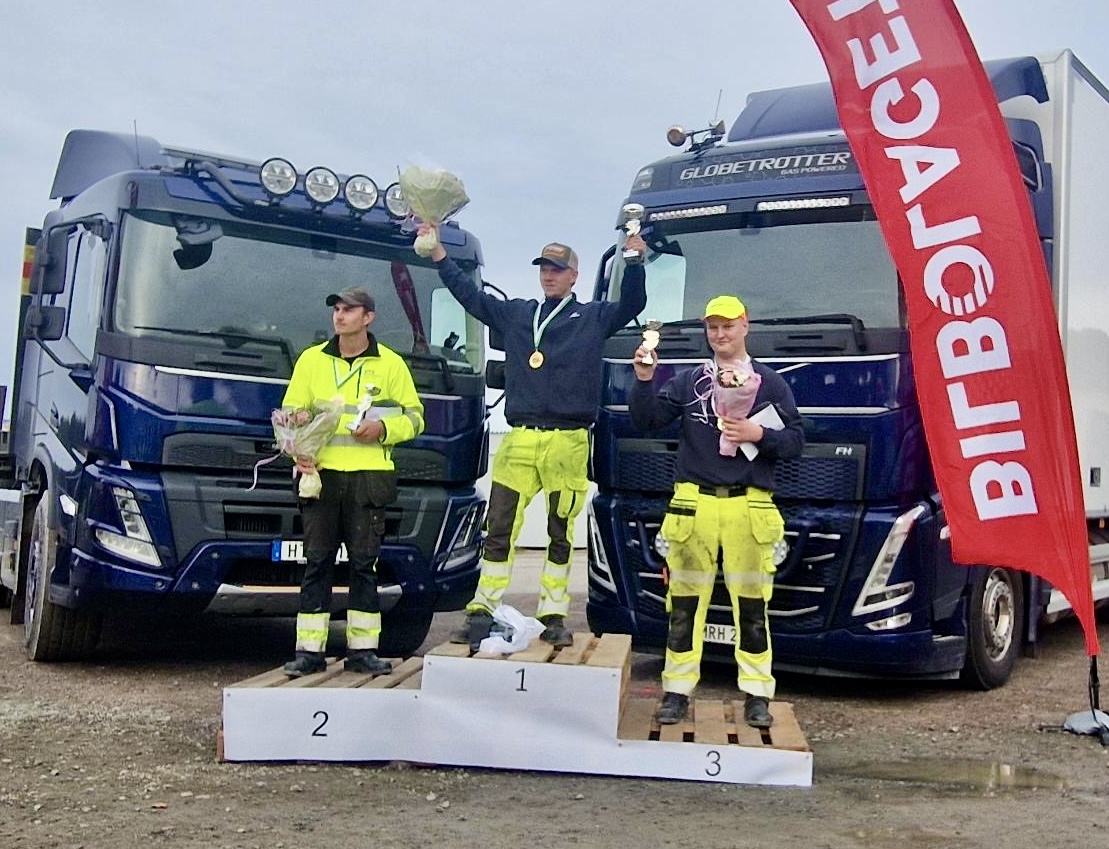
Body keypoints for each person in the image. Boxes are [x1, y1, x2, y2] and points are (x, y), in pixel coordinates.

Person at [418, 222, 647, 649]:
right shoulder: (520, 313)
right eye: (544, 267)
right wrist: (439, 257)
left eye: (558, 269)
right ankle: (481, 609)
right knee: (499, 528)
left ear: (574, 276)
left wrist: (634, 261)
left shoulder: (593, 316)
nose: (549, 275)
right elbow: (471, 297)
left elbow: (634, 301)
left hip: (569, 441)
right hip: (521, 439)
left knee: (560, 534)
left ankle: (554, 614)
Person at [628, 294, 803, 727]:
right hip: (694, 507)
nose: (720, 334)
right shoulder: (689, 382)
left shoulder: (770, 384)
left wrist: (757, 432)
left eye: (728, 325)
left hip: (749, 508)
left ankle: (757, 695)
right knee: (683, 605)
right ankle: (677, 691)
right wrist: (645, 379)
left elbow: (796, 442)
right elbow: (646, 421)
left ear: (745, 325)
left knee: (752, 607)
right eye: (712, 328)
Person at [281, 287, 425, 677]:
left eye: (349, 310)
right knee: (316, 562)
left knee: (364, 564)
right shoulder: (311, 361)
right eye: (337, 310)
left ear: (368, 318)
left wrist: (382, 428)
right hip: (321, 476)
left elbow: (415, 418)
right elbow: (292, 411)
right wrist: (295, 433)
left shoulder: (391, 365)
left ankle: (362, 651)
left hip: (368, 477)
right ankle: (310, 652)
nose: (340, 316)